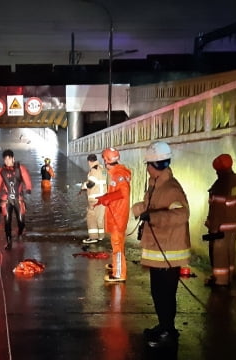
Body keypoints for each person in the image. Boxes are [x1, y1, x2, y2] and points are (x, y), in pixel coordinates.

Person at [131, 141, 191, 348]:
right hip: (159, 250)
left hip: (168, 252)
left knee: (165, 293)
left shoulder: (171, 188)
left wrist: (153, 216)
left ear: (156, 165)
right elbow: (152, 206)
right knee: (158, 292)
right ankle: (163, 325)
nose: (146, 168)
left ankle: (168, 330)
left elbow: (181, 214)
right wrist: (140, 209)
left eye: (148, 164)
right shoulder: (157, 185)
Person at [204, 153, 236, 286]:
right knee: (230, 250)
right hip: (233, 225)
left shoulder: (221, 184)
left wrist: (212, 227)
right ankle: (229, 277)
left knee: (219, 253)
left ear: (219, 170)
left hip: (221, 226)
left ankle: (220, 281)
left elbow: (218, 208)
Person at [95, 147, 131, 282]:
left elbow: (123, 193)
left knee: (117, 245)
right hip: (117, 214)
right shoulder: (118, 173)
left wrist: (107, 198)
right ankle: (117, 265)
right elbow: (117, 193)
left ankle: (119, 273)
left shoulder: (118, 175)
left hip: (118, 216)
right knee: (117, 244)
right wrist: (105, 197)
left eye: (104, 160)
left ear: (106, 161)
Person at [0, 149, 32, 250]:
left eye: (9, 159)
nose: (7, 162)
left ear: (13, 158)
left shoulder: (21, 168)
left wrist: (28, 188)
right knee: (7, 221)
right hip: (6, 199)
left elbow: (27, 179)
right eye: (5, 160)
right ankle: (9, 242)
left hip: (19, 198)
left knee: (21, 220)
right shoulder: (1, 171)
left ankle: (20, 233)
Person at [81, 154, 106, 244]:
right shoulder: (102, 169)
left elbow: (91, 183)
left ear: (89, 161)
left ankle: (93, 237)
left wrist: (84, 185)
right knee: (100, 218)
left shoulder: (93, 170)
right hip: (103, 198)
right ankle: (101, 236)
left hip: (94, 198)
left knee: (91, 217)